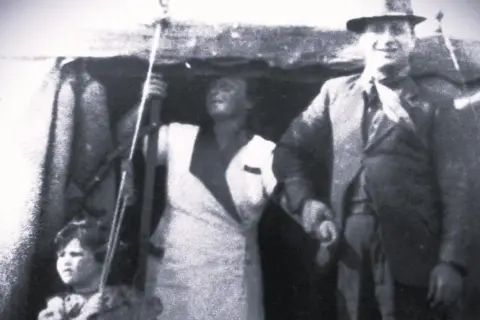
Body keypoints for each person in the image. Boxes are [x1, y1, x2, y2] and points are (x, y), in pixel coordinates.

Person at [272, 0, 474, 319]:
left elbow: (460, 188)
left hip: (412, 256)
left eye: (397, 30)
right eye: (376, 30)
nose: (387, 39)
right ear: (361, 40)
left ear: (413, 40)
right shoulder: (335, 93)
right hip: (347, 247)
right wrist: (306, 203)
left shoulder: (437, 105)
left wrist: (451, 262)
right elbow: (287, 150)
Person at [119, 74, 337, 320]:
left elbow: (286, 194)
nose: (215, 91)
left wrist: (312, 216)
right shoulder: (180, 136)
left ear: (249, 103)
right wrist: (144, 103)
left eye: (227, 87)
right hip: (173, 269)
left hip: (229, 275)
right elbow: (126, 140)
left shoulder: (262, 150)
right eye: (211, 88)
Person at [37, 218, 162, 320]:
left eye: (75, 254)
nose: (65, 261)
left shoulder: (129, 301)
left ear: (102, 259)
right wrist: (87, 313)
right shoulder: (57, 306)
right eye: (61, 255)